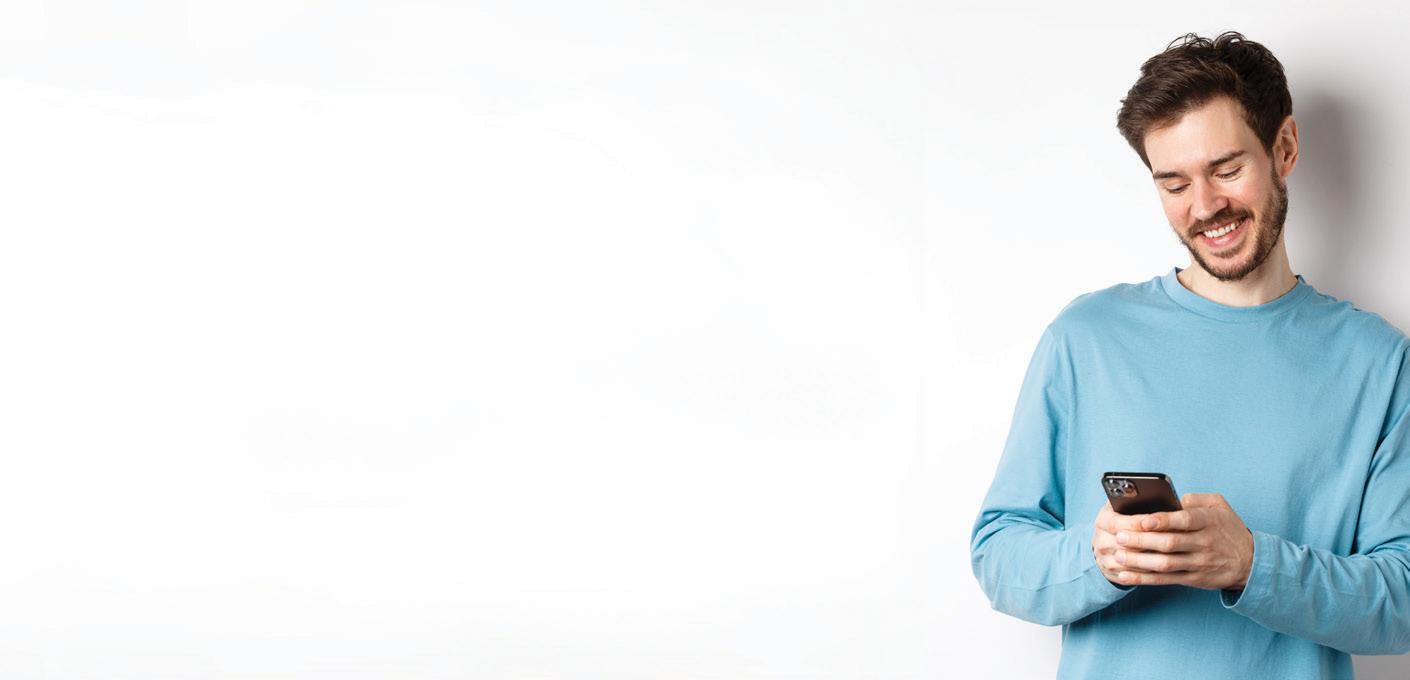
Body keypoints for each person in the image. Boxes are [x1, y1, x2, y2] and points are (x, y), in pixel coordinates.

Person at [969, 31, 1410, 678]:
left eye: (1226, 170)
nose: (1204, 207)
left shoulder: (1380, 363)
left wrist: (1252, 564)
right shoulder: (1087, 338)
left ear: (1285, 147)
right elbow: (998, 554)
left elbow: (1402, 602)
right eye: (1173, 184)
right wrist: (1101, 557)